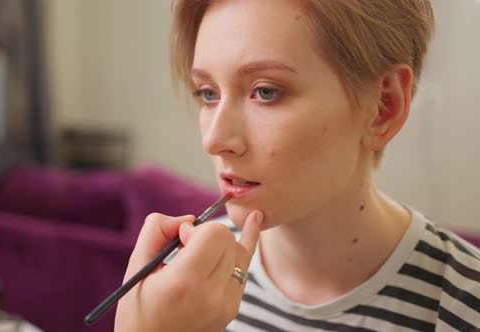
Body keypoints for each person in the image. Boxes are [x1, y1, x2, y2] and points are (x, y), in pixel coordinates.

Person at [114, 0, 480, 331]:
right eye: (208, 93)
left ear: (383, 107)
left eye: (266, 91)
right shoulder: (182, 287)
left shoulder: (465, 305)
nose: (214, 139)